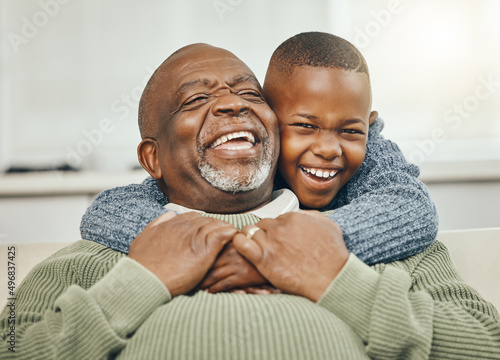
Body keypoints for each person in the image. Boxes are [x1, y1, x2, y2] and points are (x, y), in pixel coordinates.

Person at [1, 43, 499, 360]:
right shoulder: (106, 251)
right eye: (196, 100)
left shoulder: (375, 237)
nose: (232, 103)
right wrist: (139, 282)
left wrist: (339, 278)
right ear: (152, 158)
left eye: (248, 94)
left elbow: (484, 345)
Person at [80, 32, 438, 293]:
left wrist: (298, 254)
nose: (328, 148)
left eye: (248, 94)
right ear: (273, 119)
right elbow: (110, 208)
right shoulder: (191, 189)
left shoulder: (366, 172)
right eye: (304, 126)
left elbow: (410, 206)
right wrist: (209, 254)